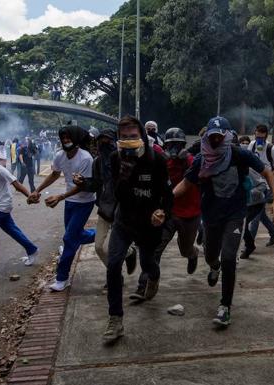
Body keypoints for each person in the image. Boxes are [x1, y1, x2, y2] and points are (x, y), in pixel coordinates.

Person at [174, 116, 274, 327]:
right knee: (212, 255)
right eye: (212, 137)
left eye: (220, 137)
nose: (215, 141)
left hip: (235, 213)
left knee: (230, 257)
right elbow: (185, 184)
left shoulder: (239, 154)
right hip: (211, 215)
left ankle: (225, 307)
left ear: (227, 136)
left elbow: (266, 171)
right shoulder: (201, 160)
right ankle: (215, 267)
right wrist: (163, 203)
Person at [102, 115, 172, 341]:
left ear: (142, 136)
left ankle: (154, 277)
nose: (129, 140)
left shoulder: (157, 160)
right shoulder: (115, 159)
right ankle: (115, 319)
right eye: (124, 137)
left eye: (133, 136)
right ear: (118, 139)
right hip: (124, 221)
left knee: (148, 263)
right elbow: (117, 195)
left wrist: (162, 212)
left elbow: (167, 196)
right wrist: (124, 173)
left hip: (149, 224)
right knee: (113, 265)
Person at [130, 127, 202, 301]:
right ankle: (143, 286)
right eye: (171, 145)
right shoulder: (162, 163)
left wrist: (188, 162)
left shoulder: (193, 162)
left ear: (184, 145)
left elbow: (199, 181)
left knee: (185, 249)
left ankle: (193, 255)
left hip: (190, 214)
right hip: (168, 213)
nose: (175, 149)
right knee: (155, 250)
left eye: (178, 145)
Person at [28, 126, 96, 292]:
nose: (65, 140)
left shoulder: (86, 158)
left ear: (76, 139)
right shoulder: (60, 155)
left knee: (69, 239)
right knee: (75, 236)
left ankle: (62, 278)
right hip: (70, 202)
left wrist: (60, 197)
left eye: (68, 137)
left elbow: (83, 186)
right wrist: (37, 190)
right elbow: (54, 174)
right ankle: (104, 233)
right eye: (63, 138)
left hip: (84, 202)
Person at [73, 129, 137, 276]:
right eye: (101, 142)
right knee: (99, 247)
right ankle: (122, 263)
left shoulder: (126, 160)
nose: (104, 145)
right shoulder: (98, 162)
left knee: (111, 248)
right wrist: (82, 182)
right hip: (105, 208)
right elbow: (95, 184)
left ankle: (115, 273)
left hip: (122, 209)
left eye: (108, 141)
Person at [246, 124, 274, 252]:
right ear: (254, 134)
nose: (259, 140)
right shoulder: (251, 145)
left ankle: (248, 245)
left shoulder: (272, 149)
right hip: (254, 183)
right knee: (260, 213)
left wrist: (269, 175)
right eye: (257, 137)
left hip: (265, 186)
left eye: (262, 138)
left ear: (266, 136)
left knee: (255, 216)